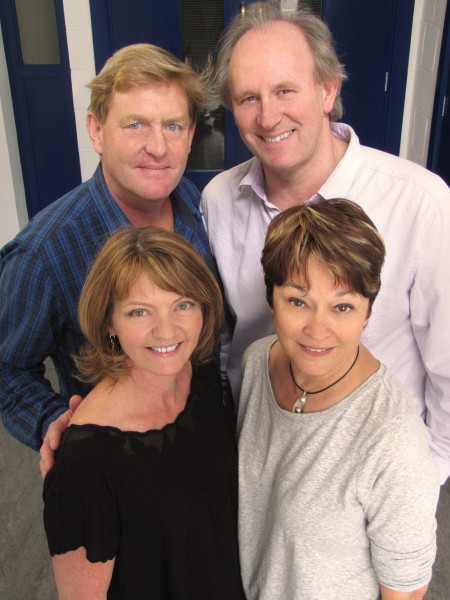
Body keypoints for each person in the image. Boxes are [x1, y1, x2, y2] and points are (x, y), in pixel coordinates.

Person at [201, 1, 450, 483]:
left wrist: (424, 479)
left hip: (368, 471)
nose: (268, 116)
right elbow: (229, 338)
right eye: (248, 97)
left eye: (285, 90)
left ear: (327, 90)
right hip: (260, 458)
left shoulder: (421, 204)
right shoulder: (219, 199)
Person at [0, 43, 218, 456]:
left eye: (173, 126)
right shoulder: (44, 252)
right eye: (135, 125)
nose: (158, 147)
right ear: (97, 131)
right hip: (122, 462)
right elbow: (6, 367)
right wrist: (53, 423)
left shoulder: (190, 201)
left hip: (204, 436)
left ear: (191, 134)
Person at [237, 198, 440, 600]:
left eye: (343, 306)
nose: (318, 329)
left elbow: (406, 592)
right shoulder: (258, 362)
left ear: (367, 312)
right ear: (271, 299)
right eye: (298, 301)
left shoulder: (395, 441)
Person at [43, 226, 245, 600]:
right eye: (139, 312)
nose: (166, 331)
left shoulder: (198, 375)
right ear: (109, 323)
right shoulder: (86, 462)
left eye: (182, 304)